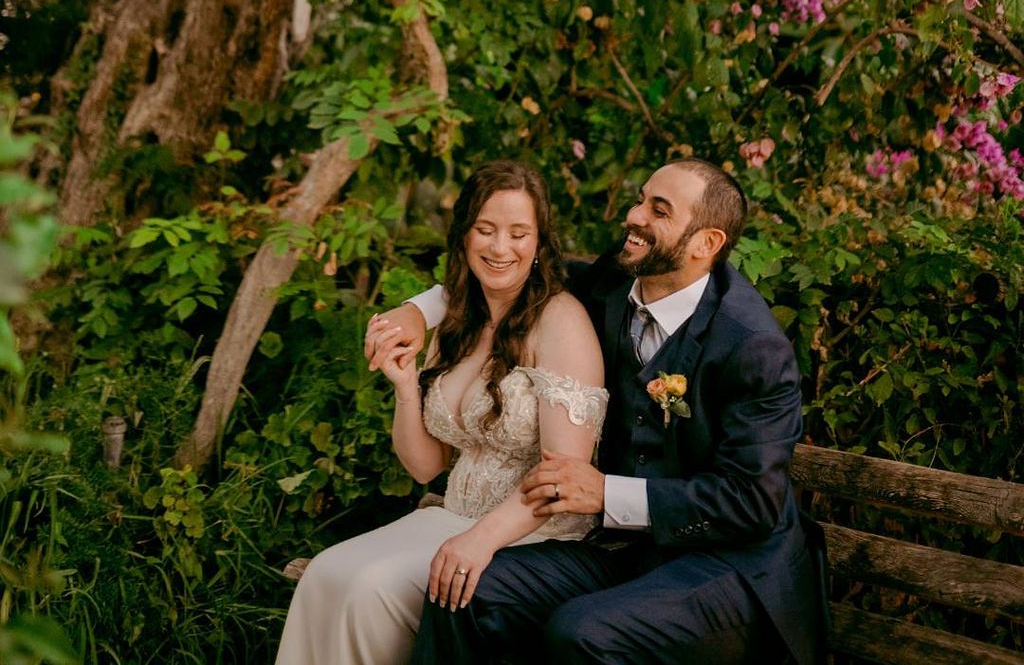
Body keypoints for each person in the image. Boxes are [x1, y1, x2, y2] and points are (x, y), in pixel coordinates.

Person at [373, 158, 825, 665]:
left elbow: (751, 503)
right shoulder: (617, 280)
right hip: (627, 554)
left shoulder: (752, 345)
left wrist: (608, 493)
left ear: (706, 244)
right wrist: (419, 309)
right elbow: (512, 268)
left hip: (727, 571)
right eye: (640, 199)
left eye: (659, 210)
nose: (635, 216)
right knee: (463, 586)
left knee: (583, 632)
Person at [275, 160, 608, 665]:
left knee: (368, 588)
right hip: (448, 516)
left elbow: (560, 480)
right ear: (464, 234)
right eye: (486, 230)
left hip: (525, 536)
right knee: (326, 573)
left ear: (539, 243)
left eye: (519, 234)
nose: (500, 248)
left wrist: (480, 540)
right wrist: (406, 390)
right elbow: (426, 467)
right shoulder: (457, 320)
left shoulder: (561, 322)